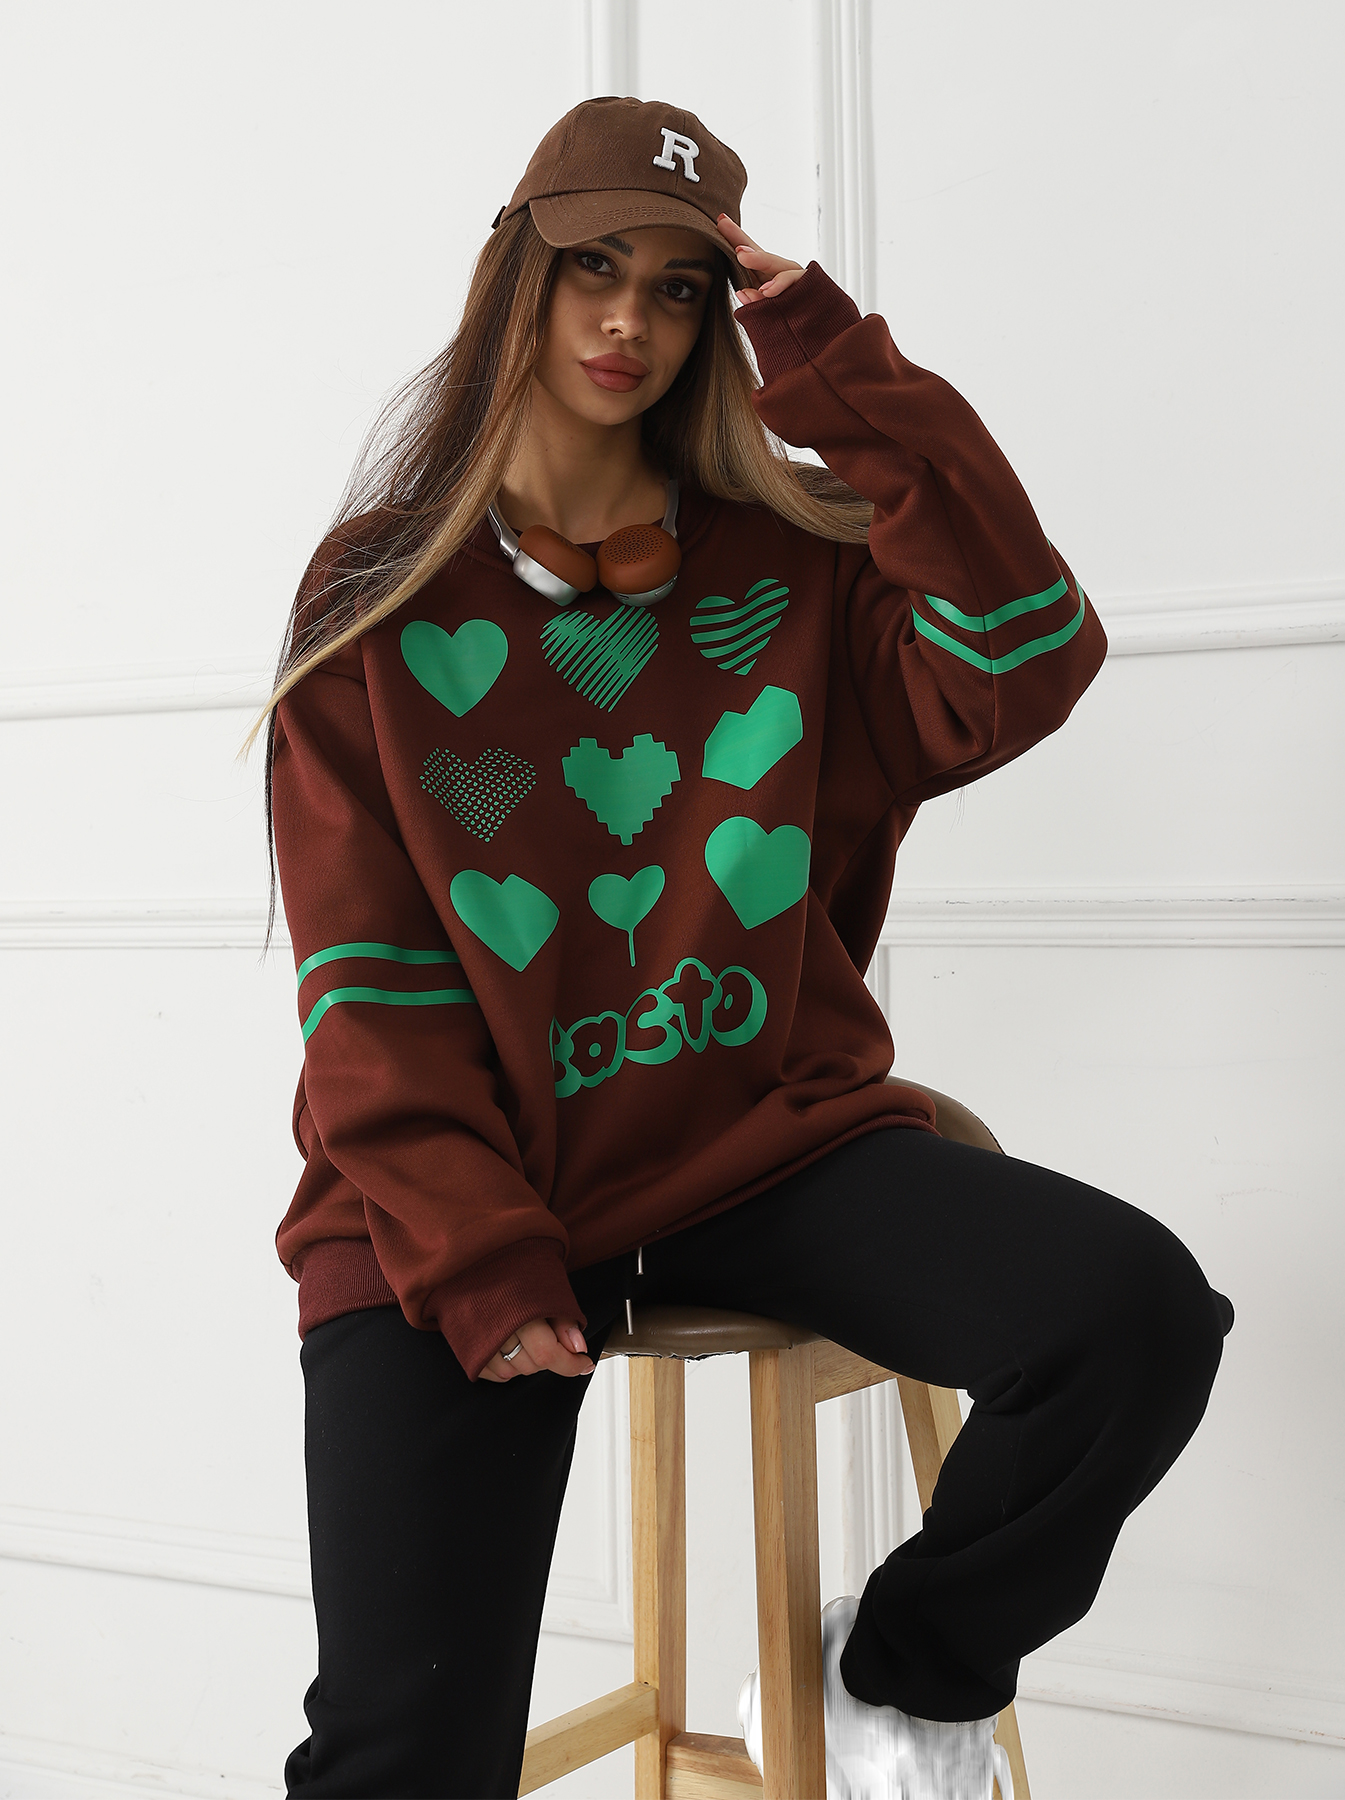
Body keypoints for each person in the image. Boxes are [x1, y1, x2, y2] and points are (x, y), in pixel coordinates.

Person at [257, 96, 1235, 1800]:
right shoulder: (380, 591)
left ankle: (906, 1673)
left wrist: (834, 367)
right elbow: (372, 977)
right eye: (592, 268)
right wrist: (479, 1255)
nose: (627, 321)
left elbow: (1020, 659)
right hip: (463, 1185)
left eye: (678, 286)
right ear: (515, 276)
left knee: (1131, 1316)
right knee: (403, 1751)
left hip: (753, 1142)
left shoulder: (797, 557)